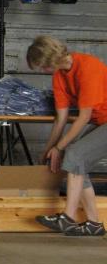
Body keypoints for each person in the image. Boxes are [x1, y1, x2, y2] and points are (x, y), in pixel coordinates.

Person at [27, 35, 107, 236]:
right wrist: (48, 149)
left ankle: (68, 219)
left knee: (75, 155)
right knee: (76, 162)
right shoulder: (59, 76)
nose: (42, 71)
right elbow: (61, 119)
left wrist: (59, 147)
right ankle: (94, 224)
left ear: (51, 60)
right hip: (101, 120)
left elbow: (83, 117)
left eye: (42, 67)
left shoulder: (88, 67)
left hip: (99, 119)